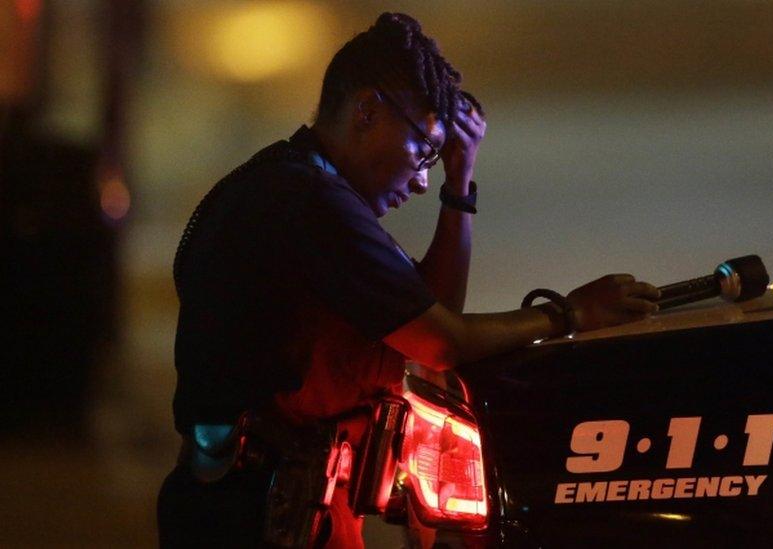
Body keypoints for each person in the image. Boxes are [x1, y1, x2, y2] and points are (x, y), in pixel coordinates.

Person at [157, 12, 660, 548]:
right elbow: (443, 341)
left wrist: (459, 181)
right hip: (252, 518)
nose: (423, 179)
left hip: (271, 508)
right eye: (423, 151)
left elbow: (427, 310)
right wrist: (571, 313)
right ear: (367, 111)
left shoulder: (304, 189)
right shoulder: (307, 202)